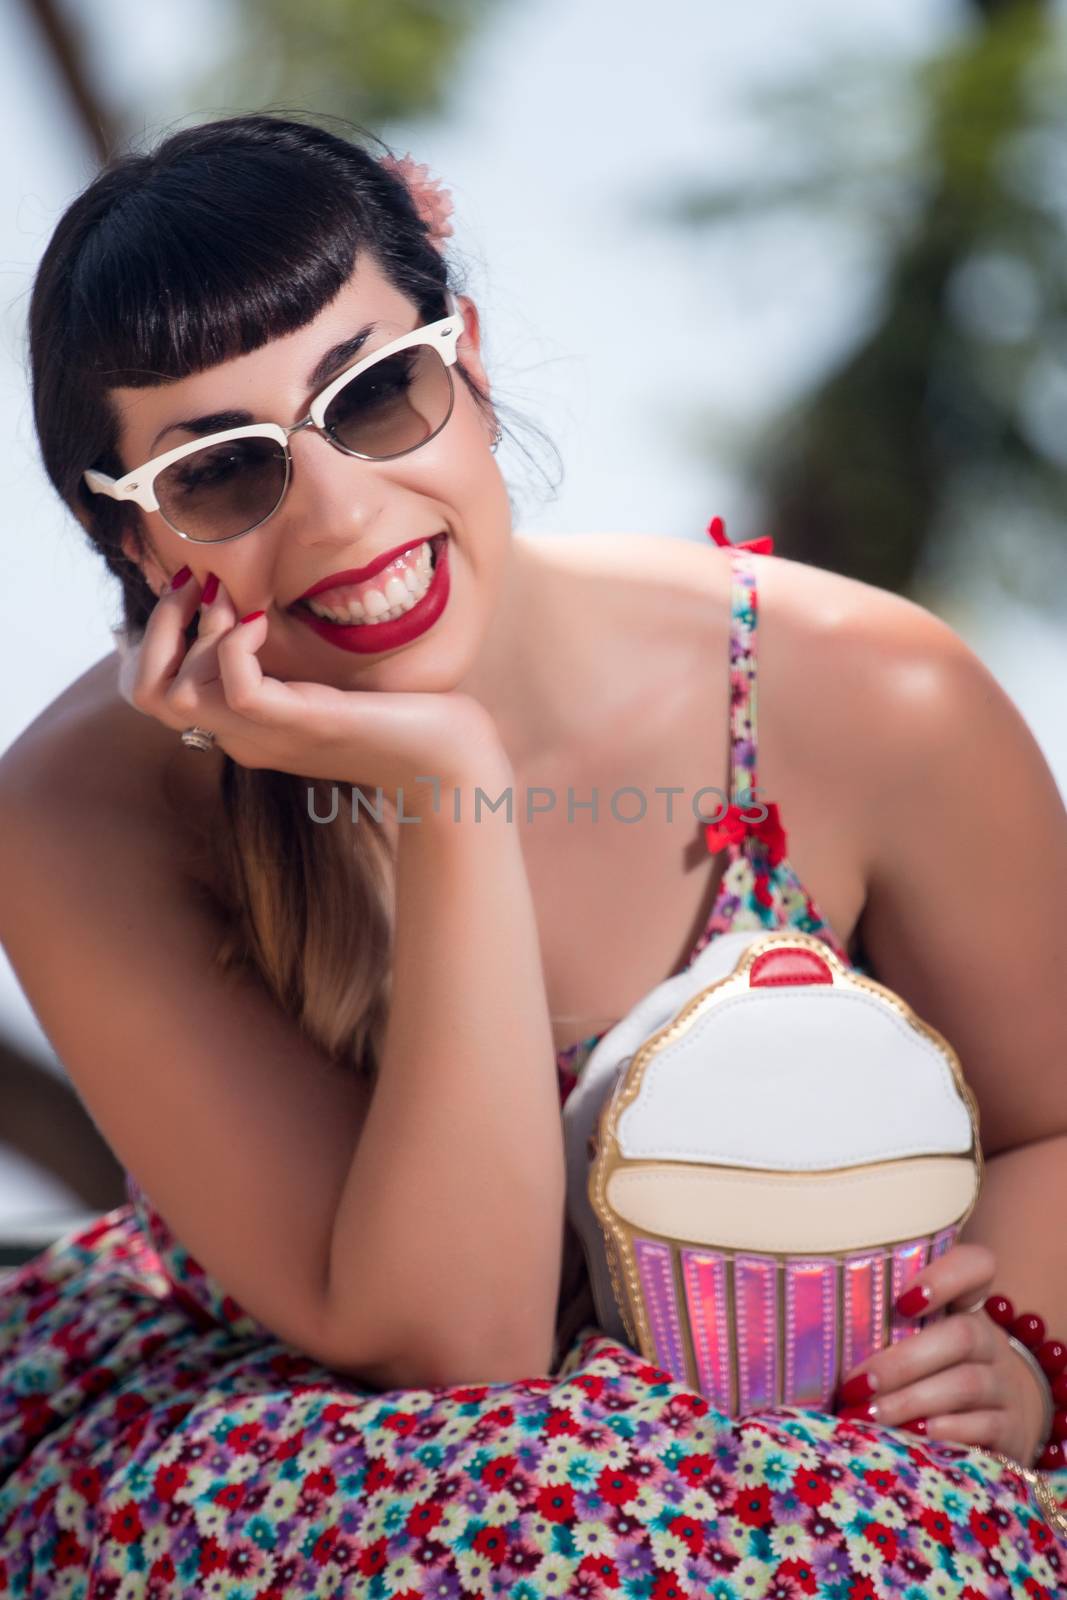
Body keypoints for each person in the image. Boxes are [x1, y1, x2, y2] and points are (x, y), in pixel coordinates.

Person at [0, 110, 1064, 1598]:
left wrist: (1017, 1353)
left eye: (374, 397)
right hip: (345, 1459)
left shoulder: (866, 691)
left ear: (470, 360)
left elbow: (1052, 1127)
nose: (342, 512)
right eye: (224, 478)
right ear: (134, 544)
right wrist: (449, 788)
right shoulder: (80, 817)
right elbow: (467, 1352)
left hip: (824, 1415)